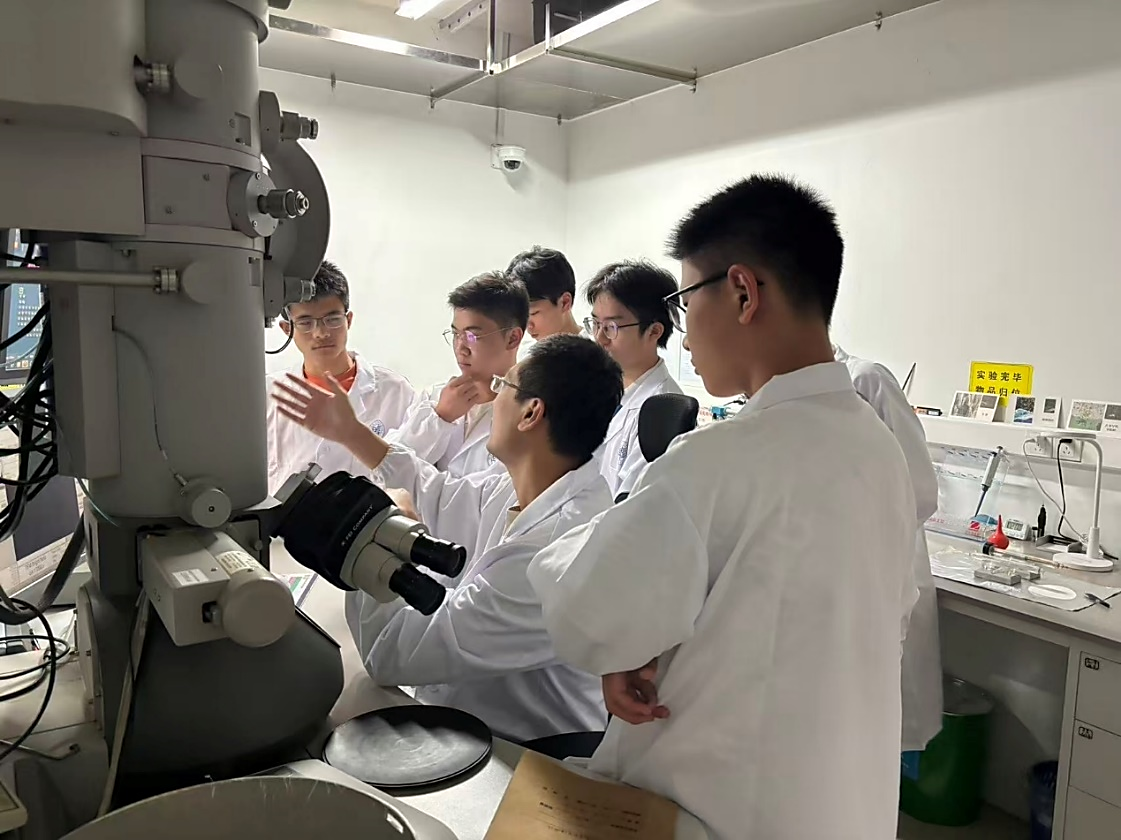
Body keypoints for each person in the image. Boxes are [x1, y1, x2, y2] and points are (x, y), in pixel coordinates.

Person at [527, 175, 919, 840]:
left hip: (718, 809)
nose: (684, 337)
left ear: (742, 293)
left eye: (685, 302)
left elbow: (585, 615)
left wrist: (622, 638)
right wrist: (648, 643)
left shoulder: (718, 458)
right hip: (841, 807)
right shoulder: (878, 449)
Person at [271, 335, 624, 743]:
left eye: (503, 385)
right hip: (470, 717)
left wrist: (372, 545)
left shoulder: (553, 554)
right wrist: (350, 432)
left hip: (525, 750)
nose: (493, 397)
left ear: (531, 413)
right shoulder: (525, 487)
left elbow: (393, 654)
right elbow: (437, 495)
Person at [835, 344, 943, 752]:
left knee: (875, 731)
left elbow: (919, 490)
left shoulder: (865, 380)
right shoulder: (779, 394)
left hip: (877, 573)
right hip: (835, 587)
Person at [265, 260, 414, 497]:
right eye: (305, 323)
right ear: (287, 329)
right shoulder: (269, 393)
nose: (321, 333)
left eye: (332, 319)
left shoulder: (394, 392)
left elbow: (411, 476)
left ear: (349, 320)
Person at [386, 271, 526, 478]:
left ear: (513, 338)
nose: (460, 347)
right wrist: (440, 418)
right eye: (455, 334)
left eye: (472, 336)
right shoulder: (435, 398)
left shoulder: (528, 411)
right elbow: (387, 467)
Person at [583, 260, 683, 498]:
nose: (599, 338)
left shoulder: (664, 410)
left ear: (654, 331)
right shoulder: (597, 387)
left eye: (611, 327)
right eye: (596, 324)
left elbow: (632, 504)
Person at [506, 246, 583, 340]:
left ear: (564, 302)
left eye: (533, 313)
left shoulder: (596, 347)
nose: (528, 327)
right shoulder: (523, 348)